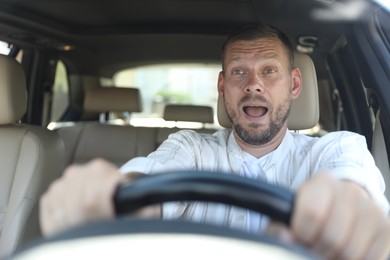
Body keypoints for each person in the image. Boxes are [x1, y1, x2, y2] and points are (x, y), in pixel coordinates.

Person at [40, 24, 390, 259]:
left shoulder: (336, 147)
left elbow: (353, 182)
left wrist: (350, 210)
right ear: (222, 87)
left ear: (294, 85)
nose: (253, 84)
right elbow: (151, 176)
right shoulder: (191, 148)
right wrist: (111, 197)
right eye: (239, 71)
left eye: (269, 70)